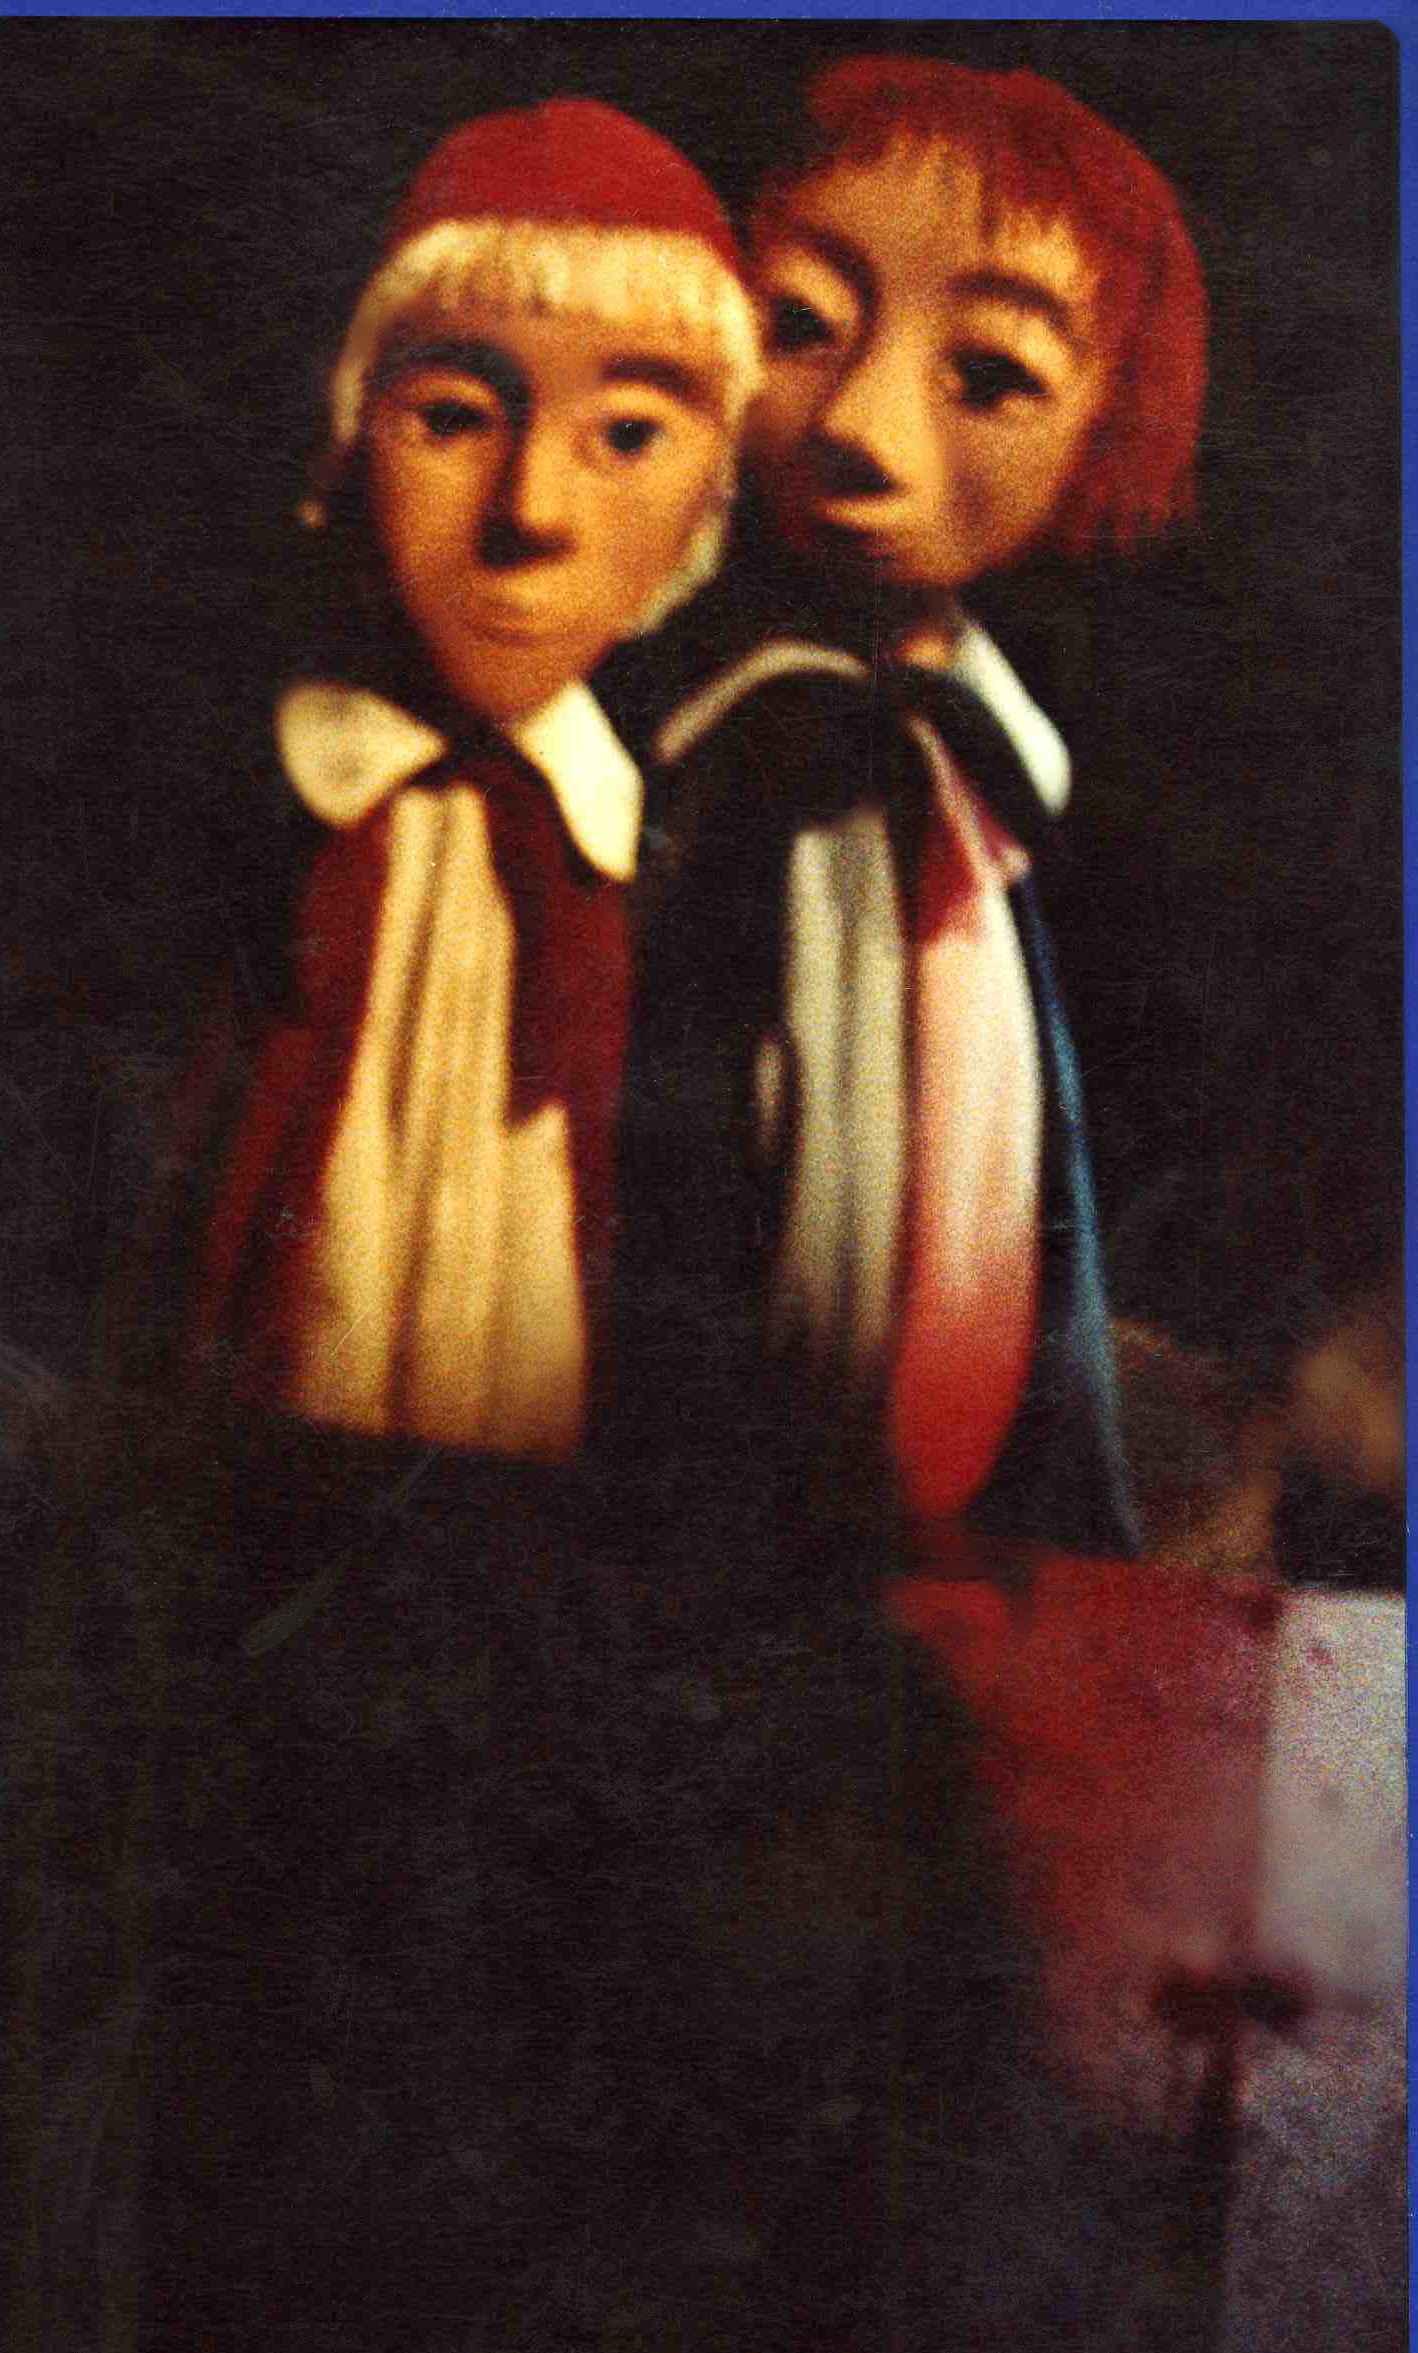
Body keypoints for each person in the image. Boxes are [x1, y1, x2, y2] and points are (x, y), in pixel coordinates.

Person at [607, 56, 1209, 1551]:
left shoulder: (992, 778)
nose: (864, 431)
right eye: (801, 326)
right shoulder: (709, 750)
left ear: (1108, 429)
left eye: (989, 376)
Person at [160, 98, 756, 1458]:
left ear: (708, 500)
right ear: (348, 438)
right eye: (454, 418)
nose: (532, 510)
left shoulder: (677, 855)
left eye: (628, 436)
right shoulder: (238, 823)